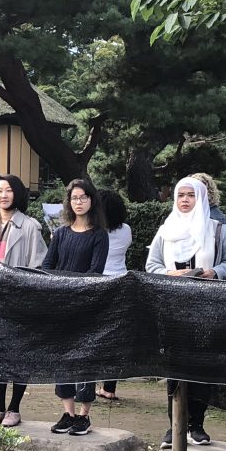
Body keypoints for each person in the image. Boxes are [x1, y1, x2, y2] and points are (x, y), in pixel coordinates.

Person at [146, 176, 226, 449]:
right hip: (172, 307)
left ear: (201, 198)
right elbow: (151, 264)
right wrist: (168, 273)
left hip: (206, 307)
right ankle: (173, 425)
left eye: (191, 195)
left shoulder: (217, 229)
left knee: (200, 366)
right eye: (181, 195)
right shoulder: (166, 230)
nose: (185, 200)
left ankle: (197, 425)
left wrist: (215, 272)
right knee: (173, 367)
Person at [0, 174, 47, 427]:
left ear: (18, 194)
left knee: (19, 354)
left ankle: (15, 407)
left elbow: (37, 265)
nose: (3, 195)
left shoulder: (29, 226)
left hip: (18, 299)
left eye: (8, 190)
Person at [42, 179, 108, 436]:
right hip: (60, 306)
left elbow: (95, 272)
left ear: (92, 200)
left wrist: (72, 289)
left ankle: (84, 415)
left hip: (86, 306)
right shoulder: (60, 233)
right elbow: (48, 266)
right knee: (62, 360)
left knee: (84, 359)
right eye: (74, 198)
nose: (78, 202)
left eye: (83, 197)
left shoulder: (99, 235)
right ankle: (68, 413)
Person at [97, 190, 131, 403]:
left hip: (99, 282)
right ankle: (109, 388)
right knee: (113, 338)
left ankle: (89, 384)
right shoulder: (126, 230)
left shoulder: (94, 232)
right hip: (120, 283)